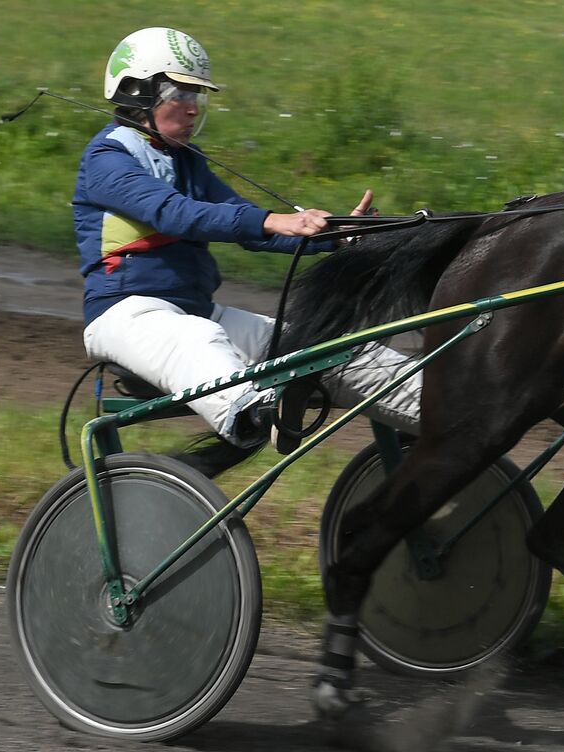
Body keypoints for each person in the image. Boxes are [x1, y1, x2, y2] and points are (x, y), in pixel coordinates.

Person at [75, 27, 419, 451]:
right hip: (127, 315)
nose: (191, 109)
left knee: (322, 347)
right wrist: (276, 221)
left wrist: (336, 235)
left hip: (197, 312)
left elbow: (253, 229)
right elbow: (176, 214)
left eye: (197, 97)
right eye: (181, 94)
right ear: (137, 93)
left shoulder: (185, 162)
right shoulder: (106, 159)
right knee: (202, 342)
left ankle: (441, 410)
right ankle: (250, 415)